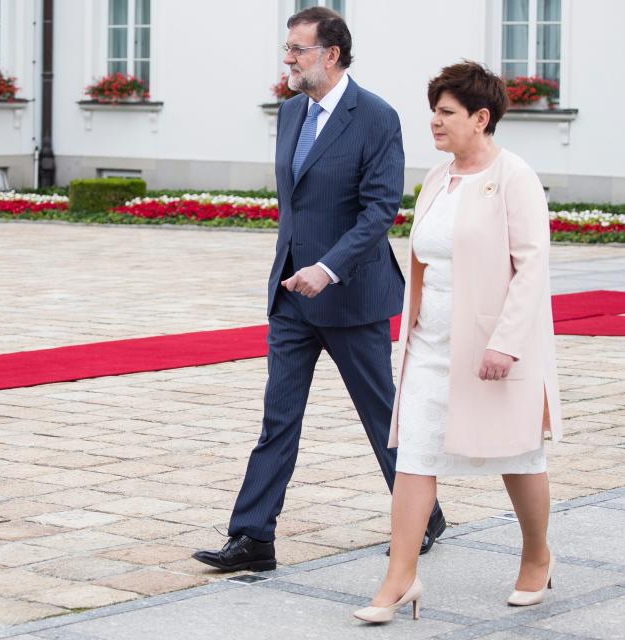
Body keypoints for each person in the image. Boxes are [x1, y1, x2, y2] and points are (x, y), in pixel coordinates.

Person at [193, 7, 445, 573]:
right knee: (278, 418)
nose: (287, 58)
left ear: (330, 55)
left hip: (351, 296)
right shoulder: (290, 113)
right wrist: (298, 269)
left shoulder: (376, 117)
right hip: (291, 296)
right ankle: (253, 537)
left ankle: (423, 514)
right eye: (287, 48)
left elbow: (379, 210)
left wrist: (328, 269)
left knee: (381, 415)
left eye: (297, 49)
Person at [353, 61, 563, 624]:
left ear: (481, 118)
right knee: (415, 455)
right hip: (430, 342)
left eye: (447, 112)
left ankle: (537, 556)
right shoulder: (437, 178)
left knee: (518, 455)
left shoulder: (514, 176)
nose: (435, 122)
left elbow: (532, 267)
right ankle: (400, 577)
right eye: (434, 112)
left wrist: (506, 342)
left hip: (492, 344)